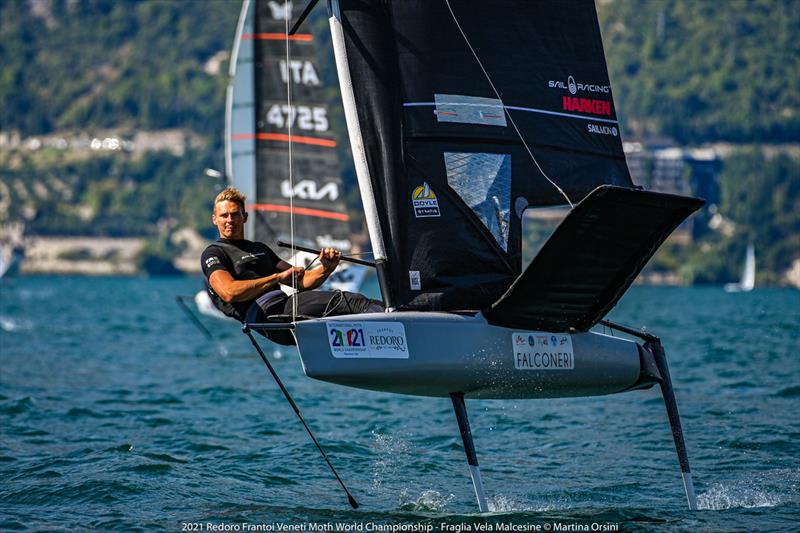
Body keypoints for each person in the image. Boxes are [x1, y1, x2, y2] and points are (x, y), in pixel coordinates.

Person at [201, 187, 383, 331]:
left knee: (345, 312)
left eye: (235, 214)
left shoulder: (260, 249)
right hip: (264, 314)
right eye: (224, 215)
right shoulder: (215, 253)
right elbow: (229, 292)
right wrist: (277, 278)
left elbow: (302, 281)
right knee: (349, 301)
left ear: (245, 217)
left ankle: (388, 329)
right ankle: (396, 315)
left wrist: (326, 268)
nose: (230, 220)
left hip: (284, 306)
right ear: (214, 219)